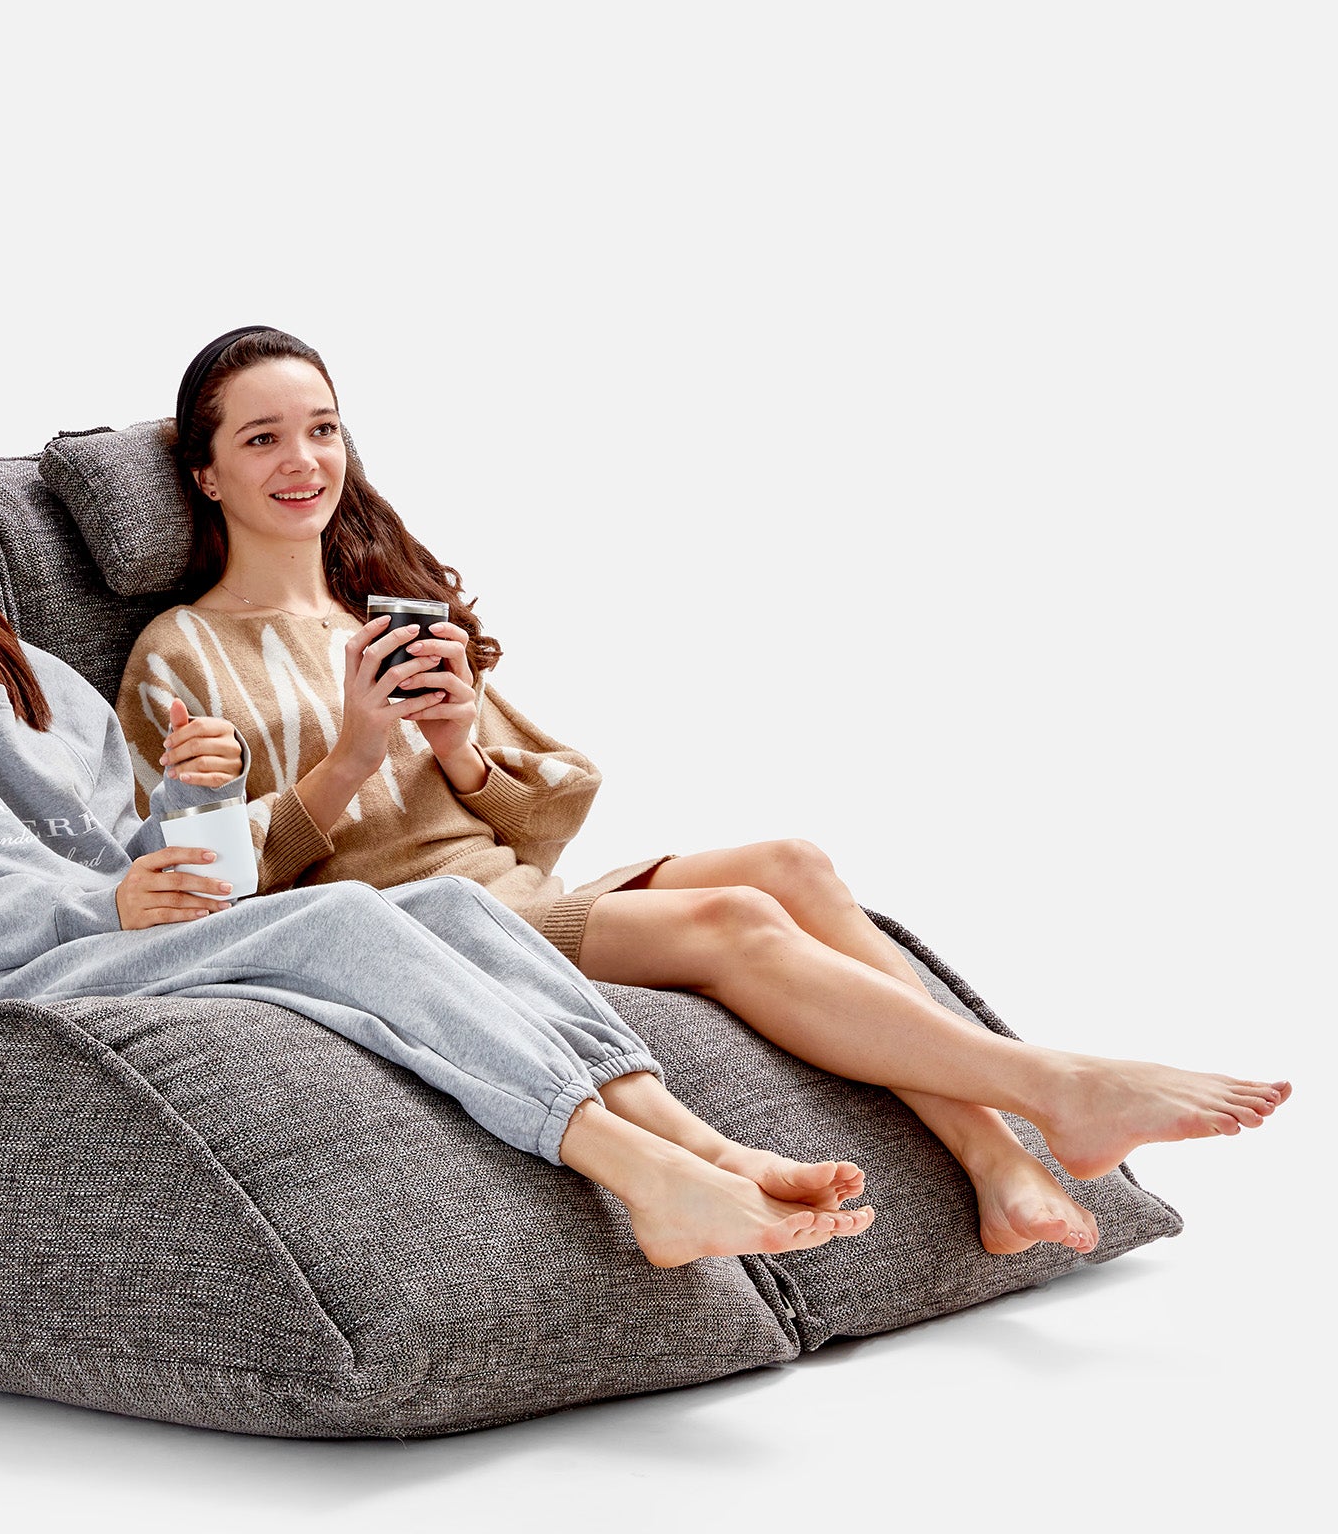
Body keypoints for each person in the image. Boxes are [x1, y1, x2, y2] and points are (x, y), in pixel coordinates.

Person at [118, 326, 1291, 1254]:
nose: (303, 460)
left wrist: (460, 744)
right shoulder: (179, 652)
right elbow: (196, 890)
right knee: (735, 917)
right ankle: (1055, 1086)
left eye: (322, 428)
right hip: (432, 927)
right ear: (205, 472)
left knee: (791, 862)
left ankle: (991, 1158)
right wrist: (351, 756)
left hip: (518, 888)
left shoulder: (383, 608)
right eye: (263, 438)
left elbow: (542, 823)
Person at [0, 348, 879, 1271]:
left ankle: (704, 1147)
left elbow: (139, 865)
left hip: (97, 941)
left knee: (445, 908)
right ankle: (640, 1176)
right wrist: (98, 904)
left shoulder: (29, 672)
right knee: (342, 917)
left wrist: (195, 800)